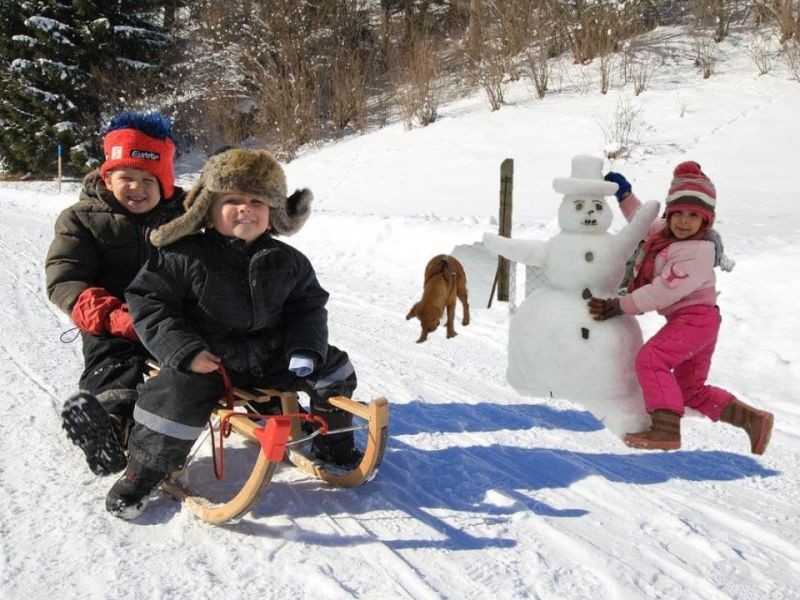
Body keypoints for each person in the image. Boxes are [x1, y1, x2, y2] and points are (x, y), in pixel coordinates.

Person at [106, 148, 360, 519]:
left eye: (257, 201)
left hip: (271, 355)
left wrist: (306, 348)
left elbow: (307, 306)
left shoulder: (289, 261)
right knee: (173, 395)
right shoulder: (183, 254)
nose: (246, 209)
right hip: (209, 360)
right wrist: (185, 350)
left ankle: (332, 443)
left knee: (336, 368)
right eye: (232, 201)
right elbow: (150, 301)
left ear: (273, 211)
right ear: (207, 210)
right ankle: (143, 471)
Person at [588, 161, 774, 454]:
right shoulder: (664, 234)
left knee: (652, 359)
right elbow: (641, 221)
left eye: (693, 216)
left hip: (694, 320)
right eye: (679, 214)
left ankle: (665, 430)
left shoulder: (697, 252)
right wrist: (625, 195)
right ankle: (753, 420)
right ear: (669, 214)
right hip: (698, 321)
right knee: (690, 391)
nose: (684, 222)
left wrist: (619, 306)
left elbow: (662, 291)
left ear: (706, 221)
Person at [46, 111, 185, 476]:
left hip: (173, 318)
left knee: (226, 345)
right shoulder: (82, 219)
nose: (137, 188)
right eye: (127, 177)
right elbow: (66, 279)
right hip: (114, 319)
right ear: (108, 178)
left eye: (148, 179)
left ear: (165, 183)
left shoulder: (184, 219)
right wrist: (111, 316)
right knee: (112, 359)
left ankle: (273, 407)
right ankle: (108, 425)